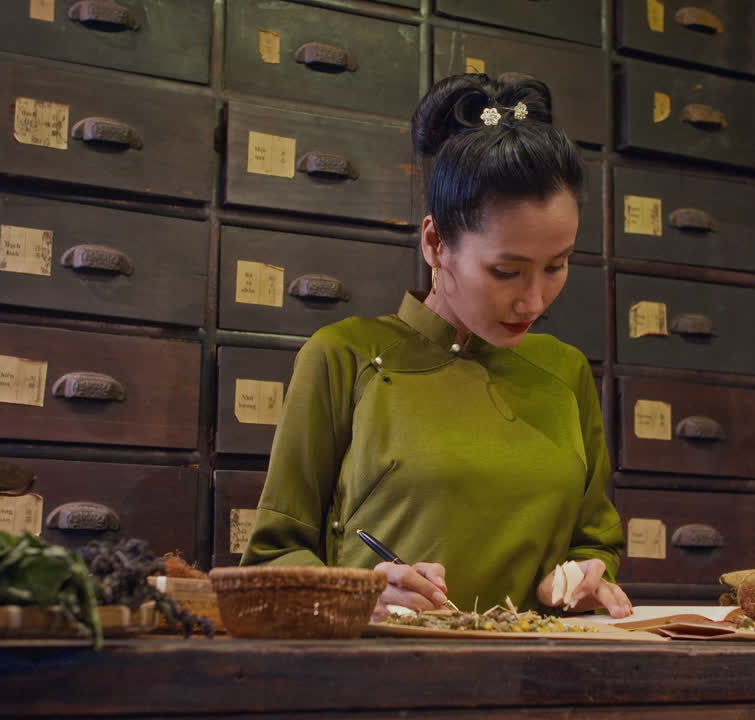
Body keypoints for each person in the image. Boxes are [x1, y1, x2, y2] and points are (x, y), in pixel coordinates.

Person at [240, 72, 632, 620]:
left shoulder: (563, 371)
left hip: (535, 686)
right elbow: (270, 561)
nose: (534, 300)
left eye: (557, 266)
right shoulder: (344, 357)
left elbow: (595, 542)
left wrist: (588, 577)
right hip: (379, 683)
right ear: (435, 242)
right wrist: (358, 593)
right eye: (506, 271)